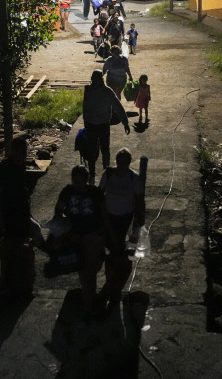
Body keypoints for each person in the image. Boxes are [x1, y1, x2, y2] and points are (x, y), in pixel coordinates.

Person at [53, 165, 114, 321]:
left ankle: (88, 305)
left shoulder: (95, 193)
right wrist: (63, 226)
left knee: (90, 271)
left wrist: (109, 236)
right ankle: (89, 300)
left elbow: (104, 215)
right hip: (75, 237)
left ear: (87, 179)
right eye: (75, 180)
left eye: (81, 180)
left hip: (93, 236)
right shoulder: (67, 191)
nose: (78, 183)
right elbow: (58, 209)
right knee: (84, 271)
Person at [98, 148, 145, 308]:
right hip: (108, 217)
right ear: (117, 162)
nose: (122, 166)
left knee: (120, 252)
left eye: (125, 163)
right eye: (120, 162)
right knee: (111, 251)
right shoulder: (108, 174)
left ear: (129, 163)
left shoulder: (134, 178)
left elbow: (139, 201)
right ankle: (111, 283)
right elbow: (99, 194)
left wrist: (138, 224)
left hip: (125, 219)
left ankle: (114, 286)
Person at [0, 137, 39, 298]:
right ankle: (7, 283)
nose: (22, 155)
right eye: (19, 152)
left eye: (24, 152)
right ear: (13, 151)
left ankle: (22, 282)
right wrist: (0, 217)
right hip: (9, 215)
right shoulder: (4, 169)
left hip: (21, 214)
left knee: (23, 248)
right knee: (9, 251)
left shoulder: (21, 167)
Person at [82, 69, 130, 182]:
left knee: (104, 150)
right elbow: (85, 106)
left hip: (102, 125)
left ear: (100, 80)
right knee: (92, 151)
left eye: (96, 79)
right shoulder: (88, 89)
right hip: (91, 124)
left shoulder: (107, 91)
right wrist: (86, 120)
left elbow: (118, 107)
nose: (94, 81)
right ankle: (92, 173)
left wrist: (125, 122)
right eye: (93, 79)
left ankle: (106, 172)